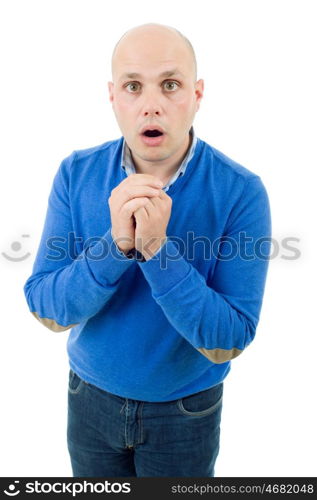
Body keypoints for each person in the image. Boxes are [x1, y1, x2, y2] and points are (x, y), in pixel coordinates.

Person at [23, 22, 271, 477]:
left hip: (185, 414)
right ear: (113, 97)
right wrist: (115, 246)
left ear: (197, 95)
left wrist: (157, 250)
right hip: (89, 401)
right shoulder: (75, 174)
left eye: (170, 85)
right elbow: (46, 310)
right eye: (133, 86)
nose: (151, 105)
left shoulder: (241, 192)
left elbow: (228, 340)